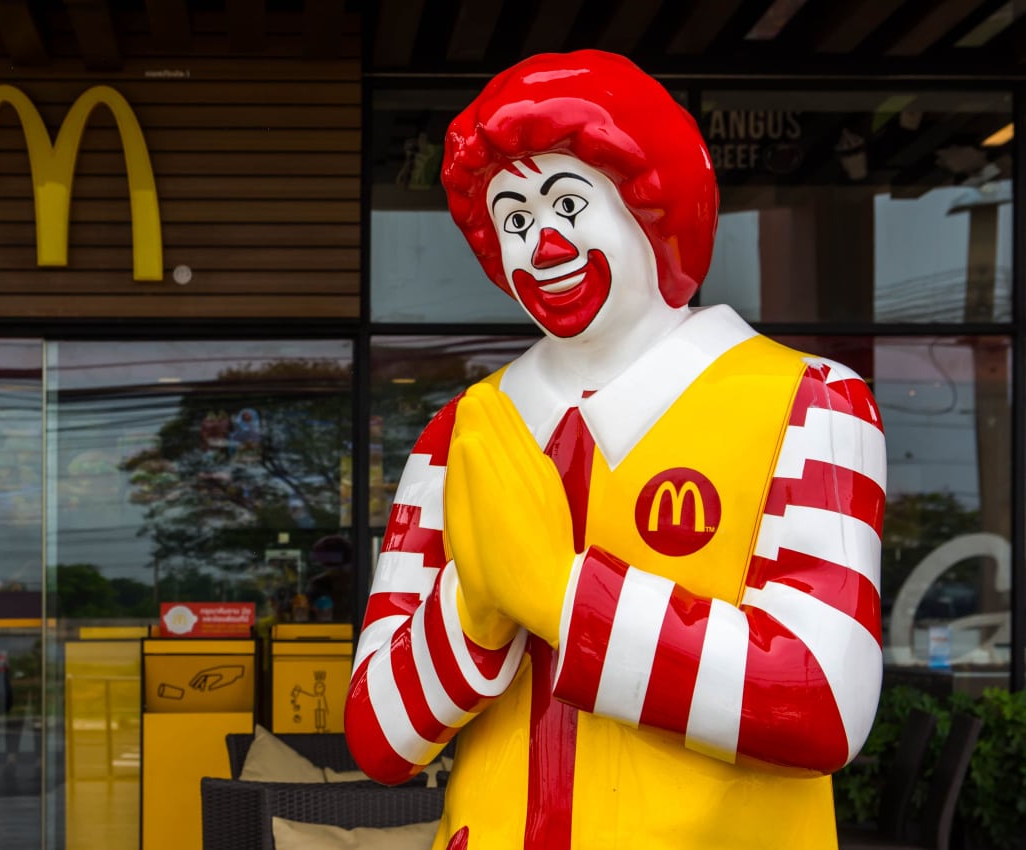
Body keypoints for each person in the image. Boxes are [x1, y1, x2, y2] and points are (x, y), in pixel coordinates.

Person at [344, 51, 885, 850]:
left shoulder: (810, 403)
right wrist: (476, 608)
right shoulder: (459, 434)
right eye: (515, 219)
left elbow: (824, 702)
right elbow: (377, 738)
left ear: (652, 206)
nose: (544, 245)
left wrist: (562, 595)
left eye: (569, 201)